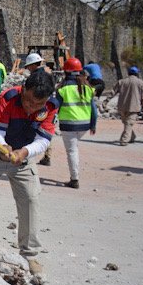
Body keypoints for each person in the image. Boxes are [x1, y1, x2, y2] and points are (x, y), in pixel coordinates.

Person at [0, 71, 59, 274]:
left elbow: (43, 140)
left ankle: (29, 254)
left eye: (37, 105)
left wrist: (24, 152)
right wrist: (3, 147)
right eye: (28, 101)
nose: (31, 107)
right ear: (24, 89)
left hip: (23, 157)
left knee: (30, 198)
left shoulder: (51, 106)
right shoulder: (7, 98)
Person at [56, 58, 97, 189]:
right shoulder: (88, 87)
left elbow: (55, 106)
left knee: (72, 151)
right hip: (85, 125)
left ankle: (74, 179)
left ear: (66, 72)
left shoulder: (63, 88)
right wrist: (93, 124)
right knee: (74, 149)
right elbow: (94, 109)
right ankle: (75, 175)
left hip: (69, 125)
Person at [102, 66, 143, 146]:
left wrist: (106, 101)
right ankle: (124, 140)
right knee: (128, 123)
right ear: (137, 73)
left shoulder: (121, 82)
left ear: (128, 73)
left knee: (127, 123)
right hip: (134, 107)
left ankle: (132, 137)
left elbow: (112, 92)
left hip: (122, 107)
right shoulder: (140, 83)